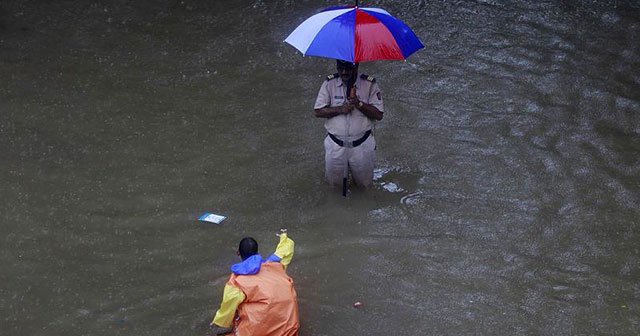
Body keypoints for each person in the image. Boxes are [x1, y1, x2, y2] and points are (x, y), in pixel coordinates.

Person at [209, 231, 299, 336]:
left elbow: (228, 307)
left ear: (238, 253)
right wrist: (284, 237)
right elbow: (284, 251)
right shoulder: (275, 265)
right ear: (257, 252)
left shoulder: (236, 282)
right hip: (290, 329)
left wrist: (217, 322)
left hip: (260, 331)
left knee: (239, 307)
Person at [314, 59, 384, 189]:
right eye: (340, 68)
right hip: (336, 146)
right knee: (334, 187)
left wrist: (359, 104)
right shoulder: (329, 83)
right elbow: (318, 111)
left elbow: (379, 114)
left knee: (365, 187)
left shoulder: (369, 84)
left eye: (348, 68)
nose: (344, 72)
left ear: (356, 66)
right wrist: (340, 109)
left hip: (362, 146)